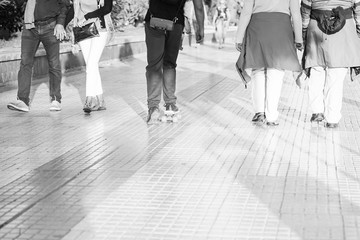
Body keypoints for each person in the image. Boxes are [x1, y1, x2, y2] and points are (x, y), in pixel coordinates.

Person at [235, 0, 303, 126]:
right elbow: (295, 13)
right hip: (281, 29)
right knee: (276, 72)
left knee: (258, 70)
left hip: (257, 28)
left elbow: (246, 12)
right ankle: (271, 116)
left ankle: (259, 112)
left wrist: (239, 37)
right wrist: (299, 38)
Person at [300, 0, 360, 128]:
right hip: (344, 28)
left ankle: (317, 111)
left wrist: (304, 30)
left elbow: (305, 9)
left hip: (316, 26)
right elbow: (358, 8)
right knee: (336, 75)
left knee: (316, 70)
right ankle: (332, 118)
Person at [144, 0, 205, 124]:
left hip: (154, 20)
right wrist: (200, 28)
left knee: (154, 66)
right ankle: (170, 104)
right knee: (170, 64)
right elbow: (198, 6)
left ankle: (154, 108)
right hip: (176, 23)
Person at [7, 0, 71, 112]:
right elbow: (19, 3)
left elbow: (65, 4)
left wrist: (60, 23)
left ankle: (56, 99)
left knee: (54, 64)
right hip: (30, 27)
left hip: (50, 26)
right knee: (25, 63)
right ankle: (22, 101)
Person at [69, 0, 113, 113]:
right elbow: (73, 10)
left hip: (100, 29)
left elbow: (107, 8)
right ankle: (101, 100)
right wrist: (61, 25)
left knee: (91, 64)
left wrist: (87, 16)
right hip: (83, 30)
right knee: (91, 66)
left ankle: (89, 99)